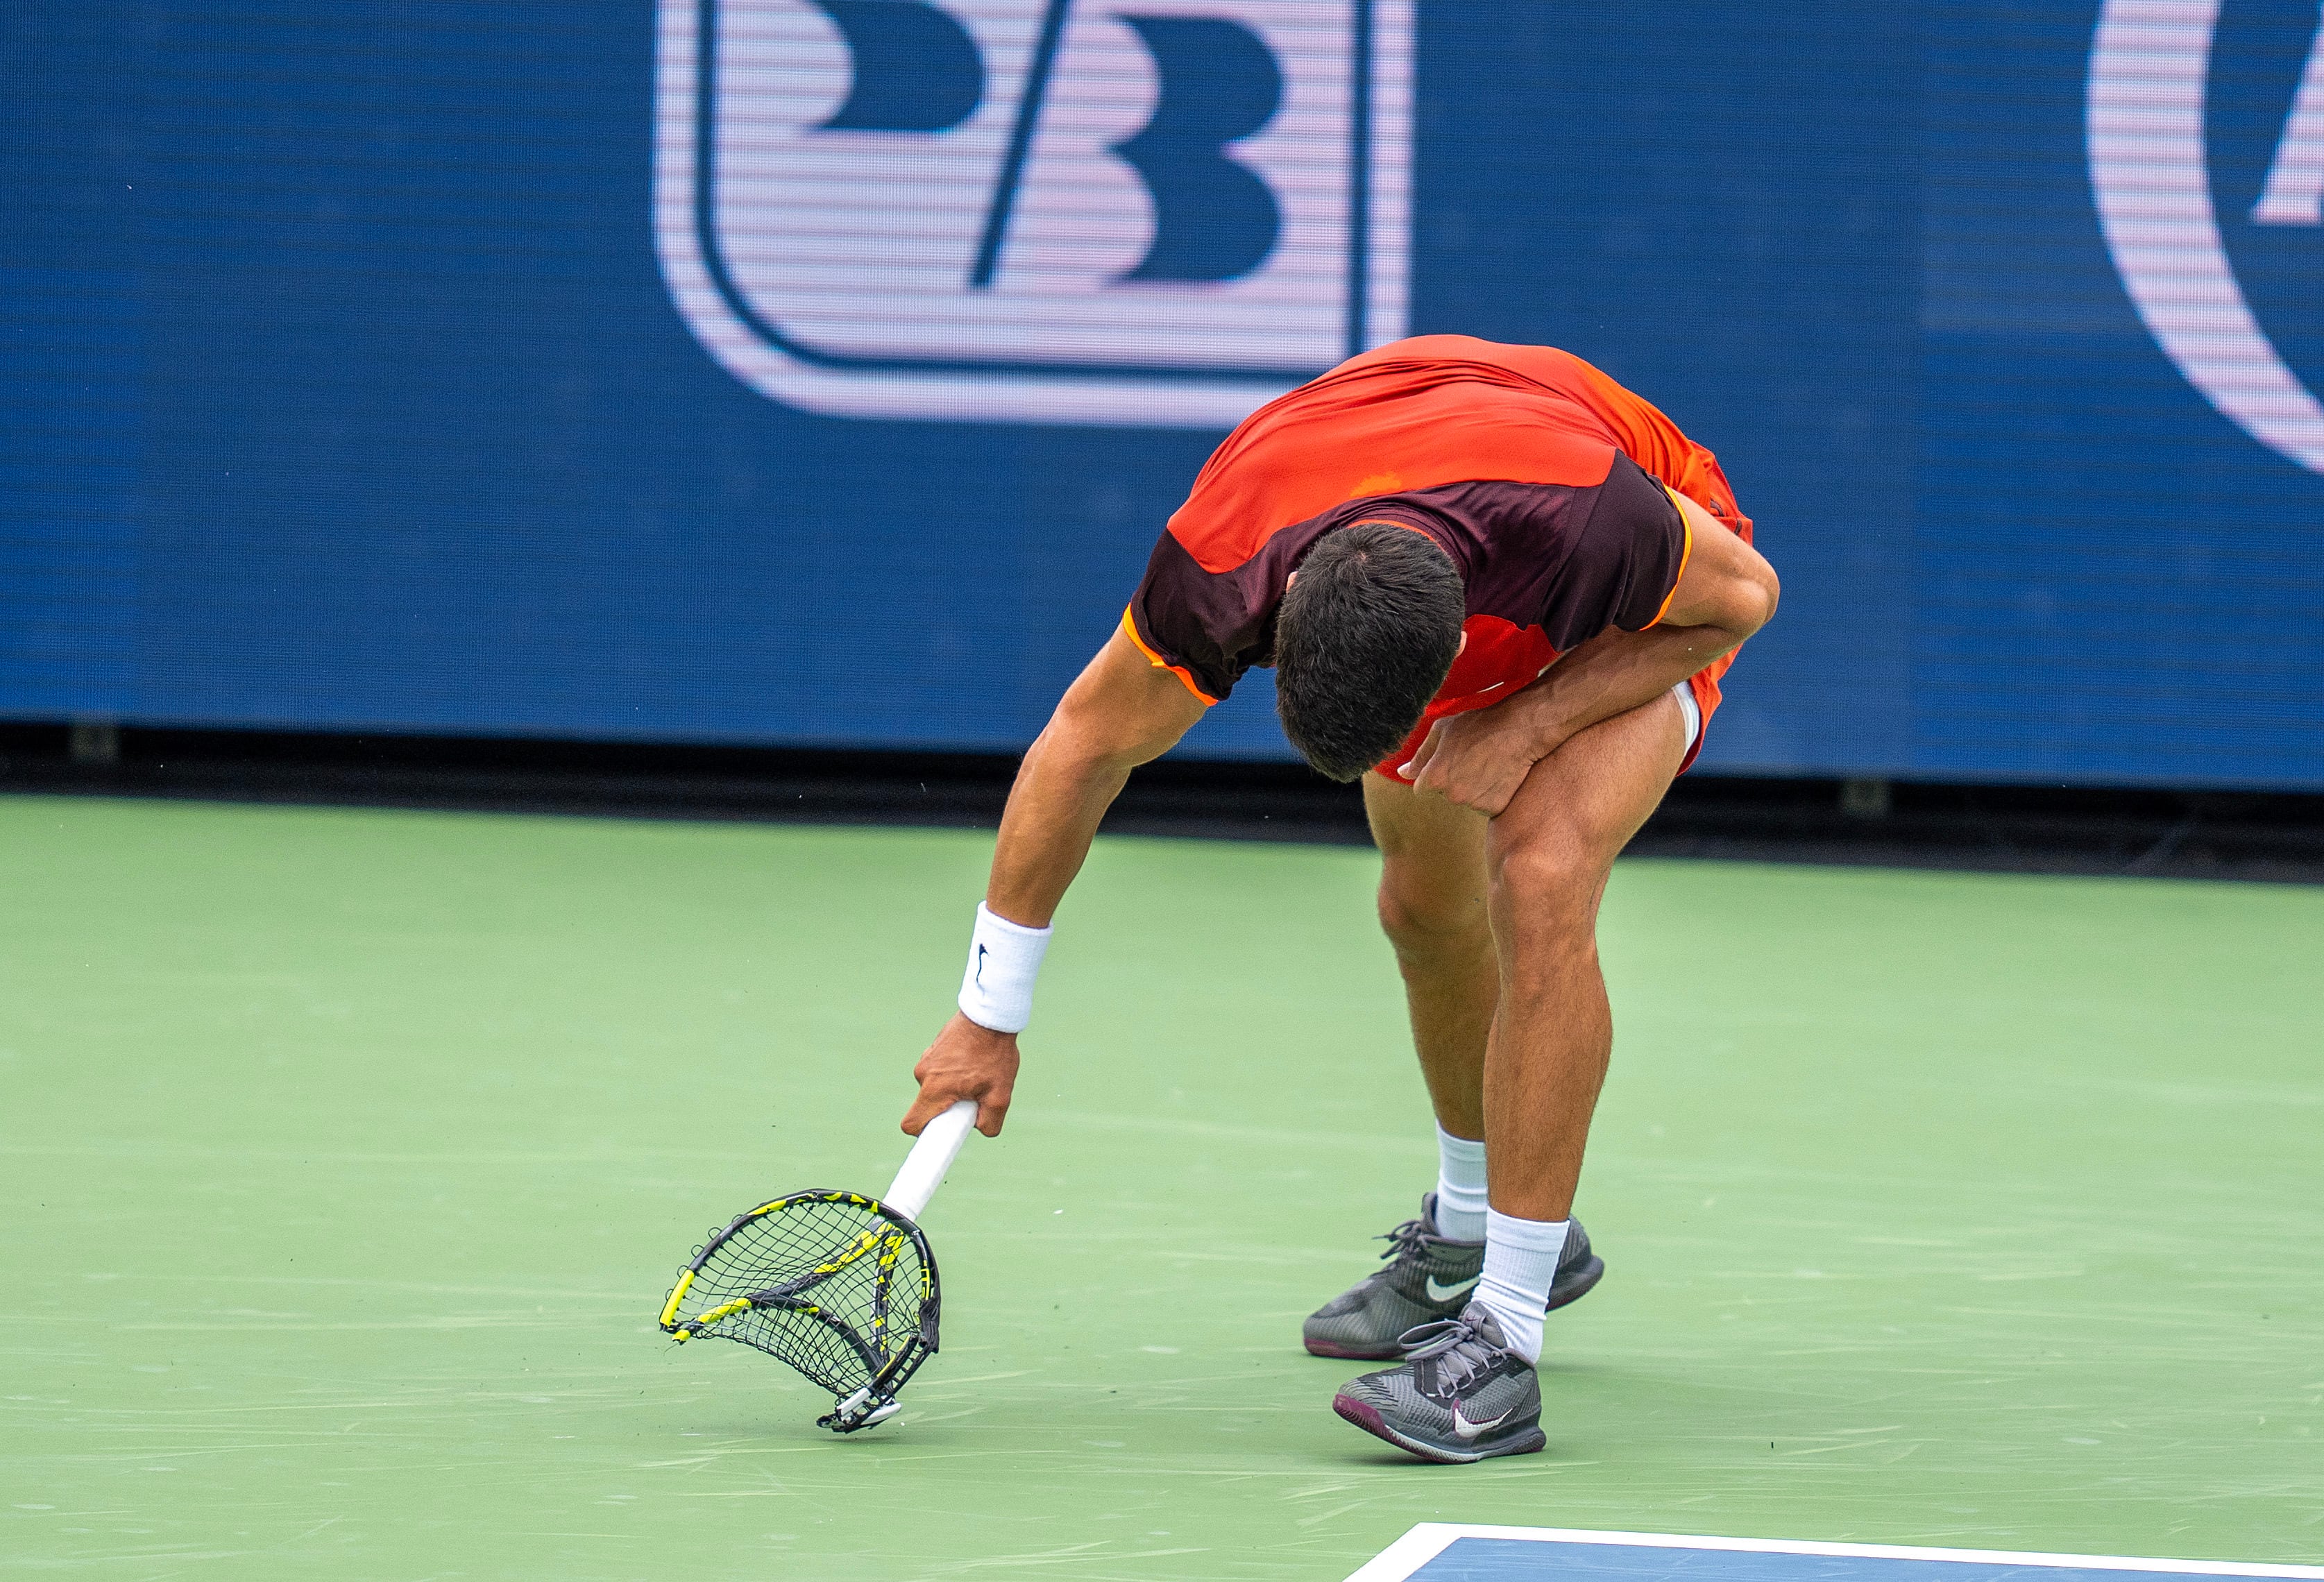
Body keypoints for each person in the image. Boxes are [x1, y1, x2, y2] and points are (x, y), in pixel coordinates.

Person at [898, 334, 1779, 1463]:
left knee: (1539, 874)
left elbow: (1740, 601)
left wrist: (1522, 723)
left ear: (1456, 648)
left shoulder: (1594, 524)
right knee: (1422, 910)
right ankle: (1475, 1228)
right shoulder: (1224, 557)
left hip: (1635, 594)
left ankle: (1501, 1349)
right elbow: (1082, 747)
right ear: (1285, 607)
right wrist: (987, 1015)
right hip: (1411, 504)